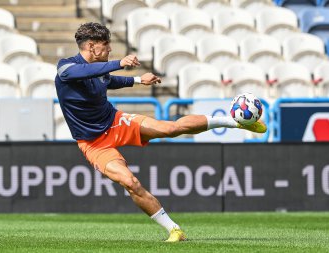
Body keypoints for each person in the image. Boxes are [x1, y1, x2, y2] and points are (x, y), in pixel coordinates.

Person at [55, 22, 267, 242]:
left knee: (171, 128)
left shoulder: (100, 69)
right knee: (130, 183)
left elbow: (109, 80)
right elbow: (81, 73)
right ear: (91, 46)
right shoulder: (66, 68)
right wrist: (120, 63)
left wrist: (138, 79)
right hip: (93, 143)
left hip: (115, 122)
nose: (109, 49)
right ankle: (174, 229)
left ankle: (235, 122)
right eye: (106, 45)